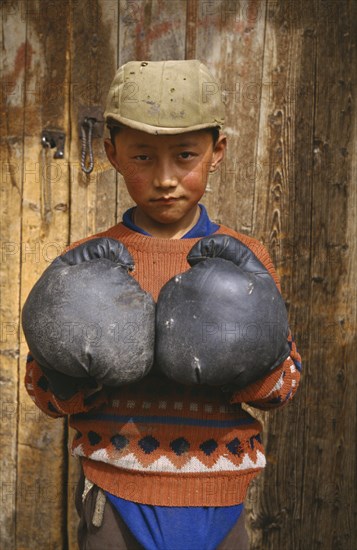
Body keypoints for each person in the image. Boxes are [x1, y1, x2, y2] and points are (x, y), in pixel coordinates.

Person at [24, 60, 302, 550]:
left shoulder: (245, 261)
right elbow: (44, 393)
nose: (166, 178)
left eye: (185, 155)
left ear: (217, 152)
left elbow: (284, 384)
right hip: (114, 492)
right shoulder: (87, 263)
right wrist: (77, 372)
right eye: (143, 157)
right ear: (111, 153)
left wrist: (244, 362)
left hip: (219, 493)